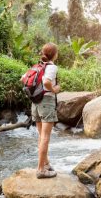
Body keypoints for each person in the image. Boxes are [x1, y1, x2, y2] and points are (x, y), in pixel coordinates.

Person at [31, 43, 60, 179]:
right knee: (45, 137)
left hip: (35, 103)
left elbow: (22, 79)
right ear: (54, 54)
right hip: (46, 102)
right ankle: (41, 170)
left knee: (41, 136)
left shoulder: (37, 66)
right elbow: (48, 82)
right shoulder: (52, 67)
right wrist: (54, 89)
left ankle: (46, 163)